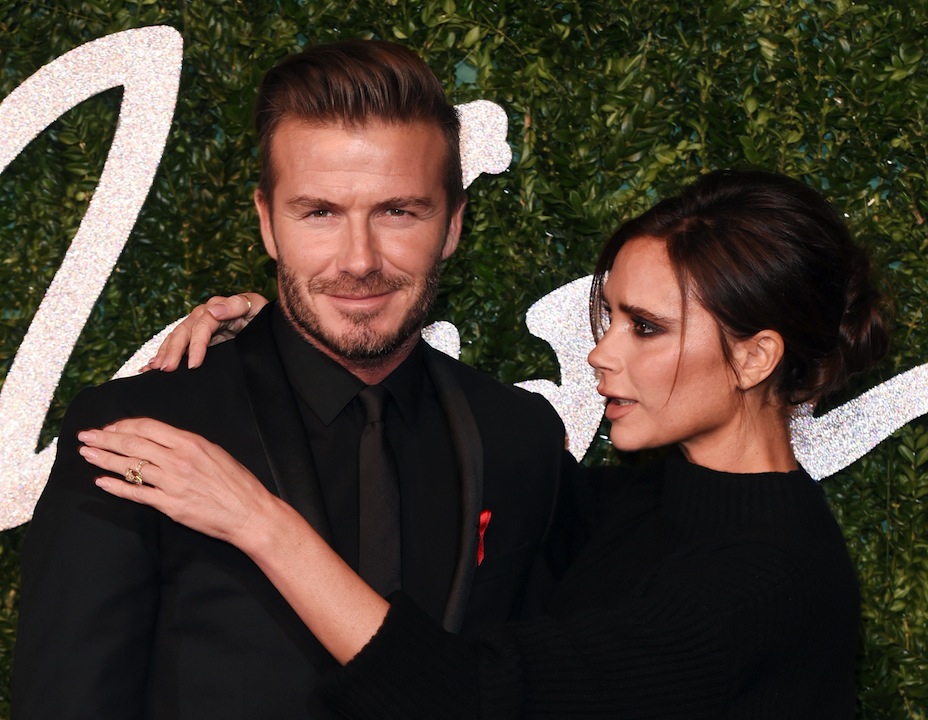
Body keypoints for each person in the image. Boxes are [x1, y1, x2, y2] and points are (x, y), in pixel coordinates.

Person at [77, 169, 886, 718]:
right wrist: (291, 345)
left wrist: (258, 520)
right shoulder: (635, 500)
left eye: (646, 328)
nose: (602, 353)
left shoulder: (768, 579)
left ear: (755, 357)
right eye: (610, 316)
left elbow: (467, 698)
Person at [13, 40, 573, 719]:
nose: (359, 261)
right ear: (268, 224)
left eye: (398, 211)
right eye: (320, 213)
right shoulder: (140, 433)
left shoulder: (518, 436)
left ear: (452, 224)